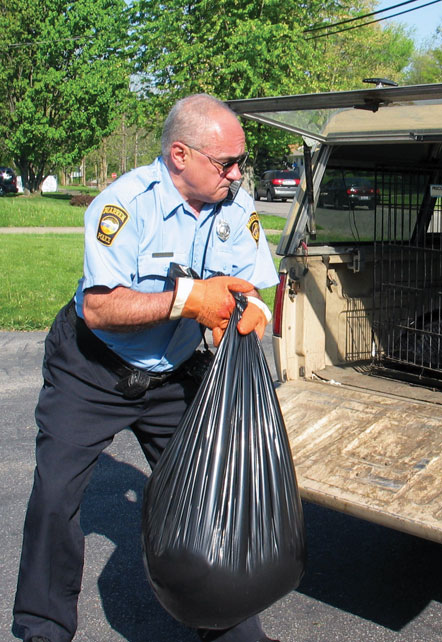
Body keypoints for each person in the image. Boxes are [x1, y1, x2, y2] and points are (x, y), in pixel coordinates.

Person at [13, 94, 281, 642]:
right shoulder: (124, 205)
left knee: (212, 495)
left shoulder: (236, 207)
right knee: (56, 496)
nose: (236, 175)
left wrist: (248, 312)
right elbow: (100, 307)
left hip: (174, 372)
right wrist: (187, 301)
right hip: (93, 367)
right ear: (180, 154)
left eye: (240, 163)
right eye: (225, 163)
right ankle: (43, 629)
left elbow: (246, 288)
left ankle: (228, 628)